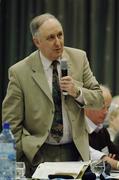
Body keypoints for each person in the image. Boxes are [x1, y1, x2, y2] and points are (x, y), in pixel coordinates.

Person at [2, 13, 103, 177]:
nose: (58, 42)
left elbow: (99, 100)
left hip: (75, 151)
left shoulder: (79, 58)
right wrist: (19, 159)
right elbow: (12, 123)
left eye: (60, 35)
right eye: (50, 38)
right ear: (37, 42)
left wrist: (77, 92)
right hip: (39, 153)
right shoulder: (19, 72)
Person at [85, 85, 119, 169]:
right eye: (102, 107)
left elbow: (115, 153)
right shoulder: (79, 131)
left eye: (108, 108)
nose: (106, 112)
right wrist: (112, 162)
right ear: (87, 106)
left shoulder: (101, 130)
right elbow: (89, 157)